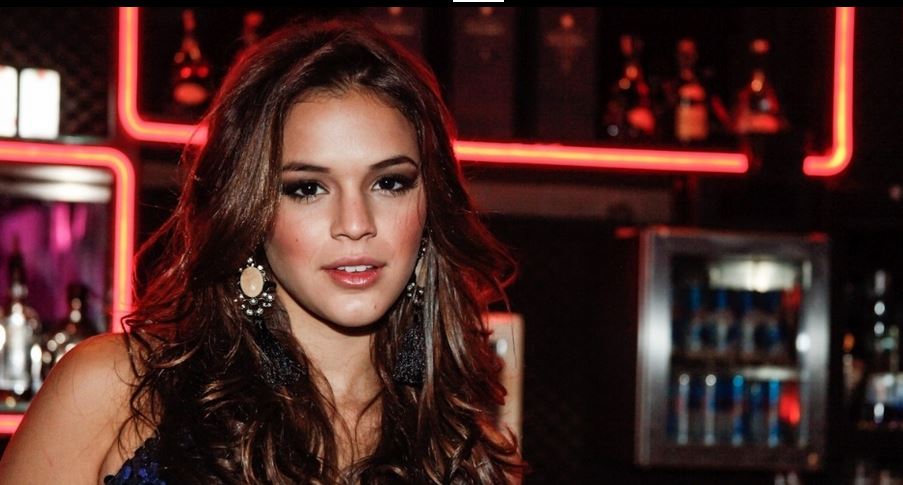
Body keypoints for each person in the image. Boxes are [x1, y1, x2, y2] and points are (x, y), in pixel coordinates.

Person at [0, 15, 524, 484]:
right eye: (307, 188)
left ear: (430, 207)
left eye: (389, 183)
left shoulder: (466, 455)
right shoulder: (111, 391)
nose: (355, 225)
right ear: (250, 212)